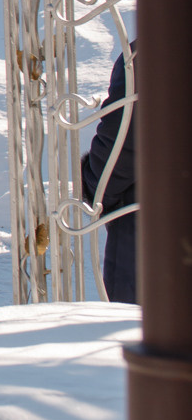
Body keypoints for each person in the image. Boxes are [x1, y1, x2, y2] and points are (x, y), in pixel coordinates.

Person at [81, 43, 137, 304]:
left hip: (155, 212)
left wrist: (97, 189)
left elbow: (124, 136)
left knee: (145, 330)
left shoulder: (161, 44)